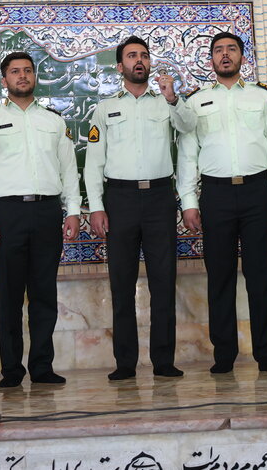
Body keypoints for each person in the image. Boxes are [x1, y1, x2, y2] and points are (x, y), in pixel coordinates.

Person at [177, 32, 267, 374]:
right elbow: (188, 155)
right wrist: (189, 202)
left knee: (260, 276)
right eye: (218, 50)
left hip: (257, 192)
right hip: (216, 196)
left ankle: (265, 352)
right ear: (211, 59)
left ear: (243, 56)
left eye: (231, 49)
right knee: (220, 277)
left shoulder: (263, 97)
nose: (225, 55)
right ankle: (223, 355)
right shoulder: (196, 102)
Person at [84, 36, 197, 380]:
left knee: (163, 281)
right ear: (120, 66)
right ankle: (125, 363)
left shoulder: (166, 102)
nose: (139, 60)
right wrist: (96, 207)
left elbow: (189, 126)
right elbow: (93, 163)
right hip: (120, 200)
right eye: (132, 56)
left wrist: (173, 98)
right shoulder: (105, 108)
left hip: (159, 197)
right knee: (122, 284)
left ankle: (163, 361)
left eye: (144, 55)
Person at [0, 52, 80, 387]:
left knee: (44, 294)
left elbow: (69, 171)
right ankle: (12, 370)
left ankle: (42, 367)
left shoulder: (53, 120)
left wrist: (73, 210)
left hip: (47, 211)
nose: (22, 76)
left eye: (28, 70)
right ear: (4, 80)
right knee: (10, 296)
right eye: (15, 71)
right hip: (7, 214)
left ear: (34, 76)